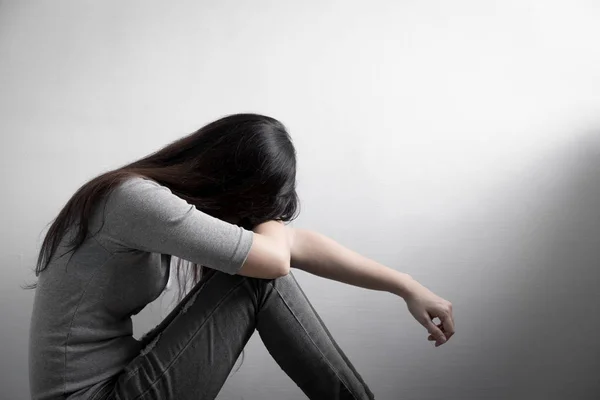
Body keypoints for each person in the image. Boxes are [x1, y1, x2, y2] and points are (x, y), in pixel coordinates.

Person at [27, 113, 455, 400]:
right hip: (97, 395)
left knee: (262, 266)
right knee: (256, 275)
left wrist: (406, 285)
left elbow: (295, 244)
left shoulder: (138, 197)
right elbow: (277, 258)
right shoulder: (134, 200)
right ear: (231, 179)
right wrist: (269, 213)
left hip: (120, 375)